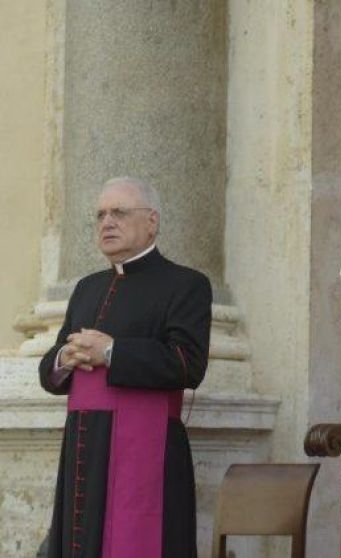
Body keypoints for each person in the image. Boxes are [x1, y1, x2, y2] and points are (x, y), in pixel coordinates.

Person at [39, 177, 211, 557]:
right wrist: (64, 359)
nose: (107, 222)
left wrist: (113, 353)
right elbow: (50, 367)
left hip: (145, 447)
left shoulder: (186, 284)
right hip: (85, 442)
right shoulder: (86, 287)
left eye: (119, 212)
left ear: (152, 221)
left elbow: (188, 364)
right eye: (100, 214)